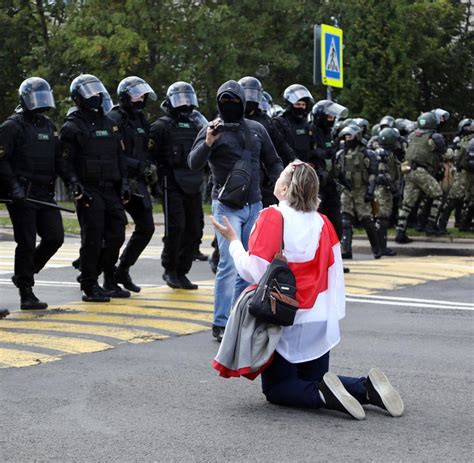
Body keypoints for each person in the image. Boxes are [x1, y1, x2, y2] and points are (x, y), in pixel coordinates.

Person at [212, 161, 404, 419]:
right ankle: (366, 388)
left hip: (284, 319)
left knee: (277, 389)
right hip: (319, 319)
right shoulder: (324, 223)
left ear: (284, 188)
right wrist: (330, 314)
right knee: (313, 377)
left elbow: (252, 271)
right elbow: (335, 275)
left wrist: (234, 242)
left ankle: (325, 397)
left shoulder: (272, 217)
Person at [189, 79, 283, 342]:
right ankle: (220, 323)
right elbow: (193, 163)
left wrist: (284, 185)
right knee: (229, 264)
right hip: (226, 207)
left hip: (254, 205)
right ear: (218, 103)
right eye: (224, 101)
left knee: (249, 264)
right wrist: (208, 142)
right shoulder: (211, 129)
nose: (229, 105)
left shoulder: (256, 129)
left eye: (234, 101)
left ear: (243, 102)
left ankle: (239, 317)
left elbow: (273, 162)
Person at [0, 77, 75, 310]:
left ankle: (25, 272)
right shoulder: (11, 126)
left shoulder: (48, 126)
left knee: (55, 237)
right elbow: (1, 161)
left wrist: (72, 180)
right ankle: (26, 292)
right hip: (22, 194)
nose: (41, 103)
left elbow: (58, 160)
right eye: (36, 98)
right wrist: (13, 187)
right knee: (27, 242)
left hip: (45, 193)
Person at [59, 74, 130, 302]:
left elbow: (120, 157)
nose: (96, 97)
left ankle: (106, 277)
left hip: (111, 189)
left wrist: (125, 183)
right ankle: (89, 284)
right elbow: (64, 161)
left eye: (98, 92)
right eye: (90, 93)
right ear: (78, 97)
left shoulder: (110, 124)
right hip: (89, 189)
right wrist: (74, 183)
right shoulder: (72, 127)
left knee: (117, 234)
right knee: (92, 238)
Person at [149, 81, 205, 290]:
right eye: (180, 99)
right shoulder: (161, 126)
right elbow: (150, 158)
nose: (185, 104)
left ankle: (183, 270)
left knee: (195, 228)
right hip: (171, 184)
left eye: (188, 98)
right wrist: (153, 182)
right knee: (177, 228)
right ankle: (170, 270)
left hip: (193, 183)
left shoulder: (196, 125)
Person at [107, 76, 157, 293]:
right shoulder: (114, 118)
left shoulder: (142, 120)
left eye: (142, 95)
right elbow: (110, 153)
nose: (140, 99)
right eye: (136, 94)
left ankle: (123, 269)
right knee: (114, 232)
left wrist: (150, 168)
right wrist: (137, 165)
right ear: (124, 95)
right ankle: (106, 278)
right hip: (116, 181)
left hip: (137, 182)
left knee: (146, 227)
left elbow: (147, 150)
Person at [238, 76, 293, 206]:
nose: (250, 97)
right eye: (247, 93)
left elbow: (280, 144)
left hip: (263, 176)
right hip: (237, 174)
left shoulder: (265, 121)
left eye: (253, 93)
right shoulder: (231, 116)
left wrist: (294, 160)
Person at [395, 112, 446, 243]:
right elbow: (443, 152)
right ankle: (430, 225)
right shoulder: (433, 137)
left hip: (408, 170)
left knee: (407, 203)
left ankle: (400, 232)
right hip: (421, 171)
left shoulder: (412, 135)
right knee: (439, 195)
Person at [337, 124, 381, 259]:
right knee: (345, 220)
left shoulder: (367, 153)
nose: (348, 139)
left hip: (361, 190)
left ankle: (376, 248)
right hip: (347, 190)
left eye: (350, 136)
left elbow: (373, 173)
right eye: (346, 136)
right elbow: (338, 172)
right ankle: (346, 250)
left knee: (367, 220)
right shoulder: (341, 154)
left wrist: (370, 190)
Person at [372, 128, 401, 256]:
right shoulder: (383, 154)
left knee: (382, 218)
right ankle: (381, 247)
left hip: (381, 189)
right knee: (382, 219)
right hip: (382, 190)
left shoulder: (385, 152)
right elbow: (383, 174)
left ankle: (380, 247)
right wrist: (393, 187)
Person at [273, 84, 314, 165]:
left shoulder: (306, 124)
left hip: (304, 168)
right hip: (286, 167)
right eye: (298, 104)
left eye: (303, 105)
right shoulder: (279, 123)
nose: (301, 107)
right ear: (290, 105)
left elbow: (311, 147)